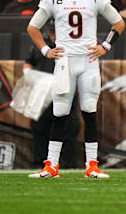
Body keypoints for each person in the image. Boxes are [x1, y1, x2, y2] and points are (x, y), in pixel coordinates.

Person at [27, 0, 126, 179]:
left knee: (89, 112)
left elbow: (119, 22)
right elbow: (33, 27)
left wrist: (106, 46)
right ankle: (51, 166)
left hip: (89, 60)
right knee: (59, 113)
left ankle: (92, 165)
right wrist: (45, 50)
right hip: (64, 62)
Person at [23, 19, 80, 169]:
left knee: (69, 130)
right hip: (43, 97)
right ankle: (39, 165)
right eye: (52, 32)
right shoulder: (40, 47)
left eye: (57, 31)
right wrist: (28, 74)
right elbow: (28, 62)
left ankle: (69, 166)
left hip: (67, 95)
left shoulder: (74, 46)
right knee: (40, 131)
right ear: (48, 32)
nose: (54, 35)